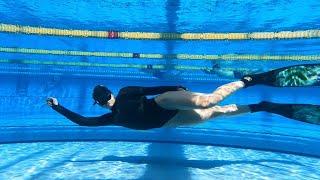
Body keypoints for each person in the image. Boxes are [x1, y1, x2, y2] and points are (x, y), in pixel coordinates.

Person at [47, 64, 320, 130]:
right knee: (217, 113)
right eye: (104, 99)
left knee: (209, 101)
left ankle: (250, 79)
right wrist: (59, 108)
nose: (108, 100)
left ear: (108, 92)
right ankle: (262, 105)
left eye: (106, 94)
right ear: (99, 103)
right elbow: (83, 122)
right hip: (170, 120)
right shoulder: (112, 118)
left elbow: (150, 91)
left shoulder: (125, 93)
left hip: (164, 102)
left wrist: (175, 87)